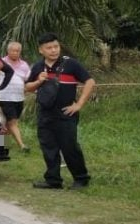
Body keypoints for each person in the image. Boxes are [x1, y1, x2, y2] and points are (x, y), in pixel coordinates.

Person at [25, 32, 94, 190]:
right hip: (45, 113)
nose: (54, 50)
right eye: (49, 48)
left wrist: (79, 104)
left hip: (66, 113)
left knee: (70, 147)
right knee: (48, 147)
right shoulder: (38, 66)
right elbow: (28, 87)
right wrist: (38, 81)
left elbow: (90, 82)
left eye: (56, 46)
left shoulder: (71, 64)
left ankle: (81, 179)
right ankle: (53, 180)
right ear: (41, 50)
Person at [0, 41, 30, 151]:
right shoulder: (1, 62)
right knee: (12, 121)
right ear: (8, 51)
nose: (15, 53)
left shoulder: (24, 65)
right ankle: (22, 146)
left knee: (10, 123)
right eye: (13, 50)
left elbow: (28, 79)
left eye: (18, 51)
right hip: (5, 96)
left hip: (19, 97)